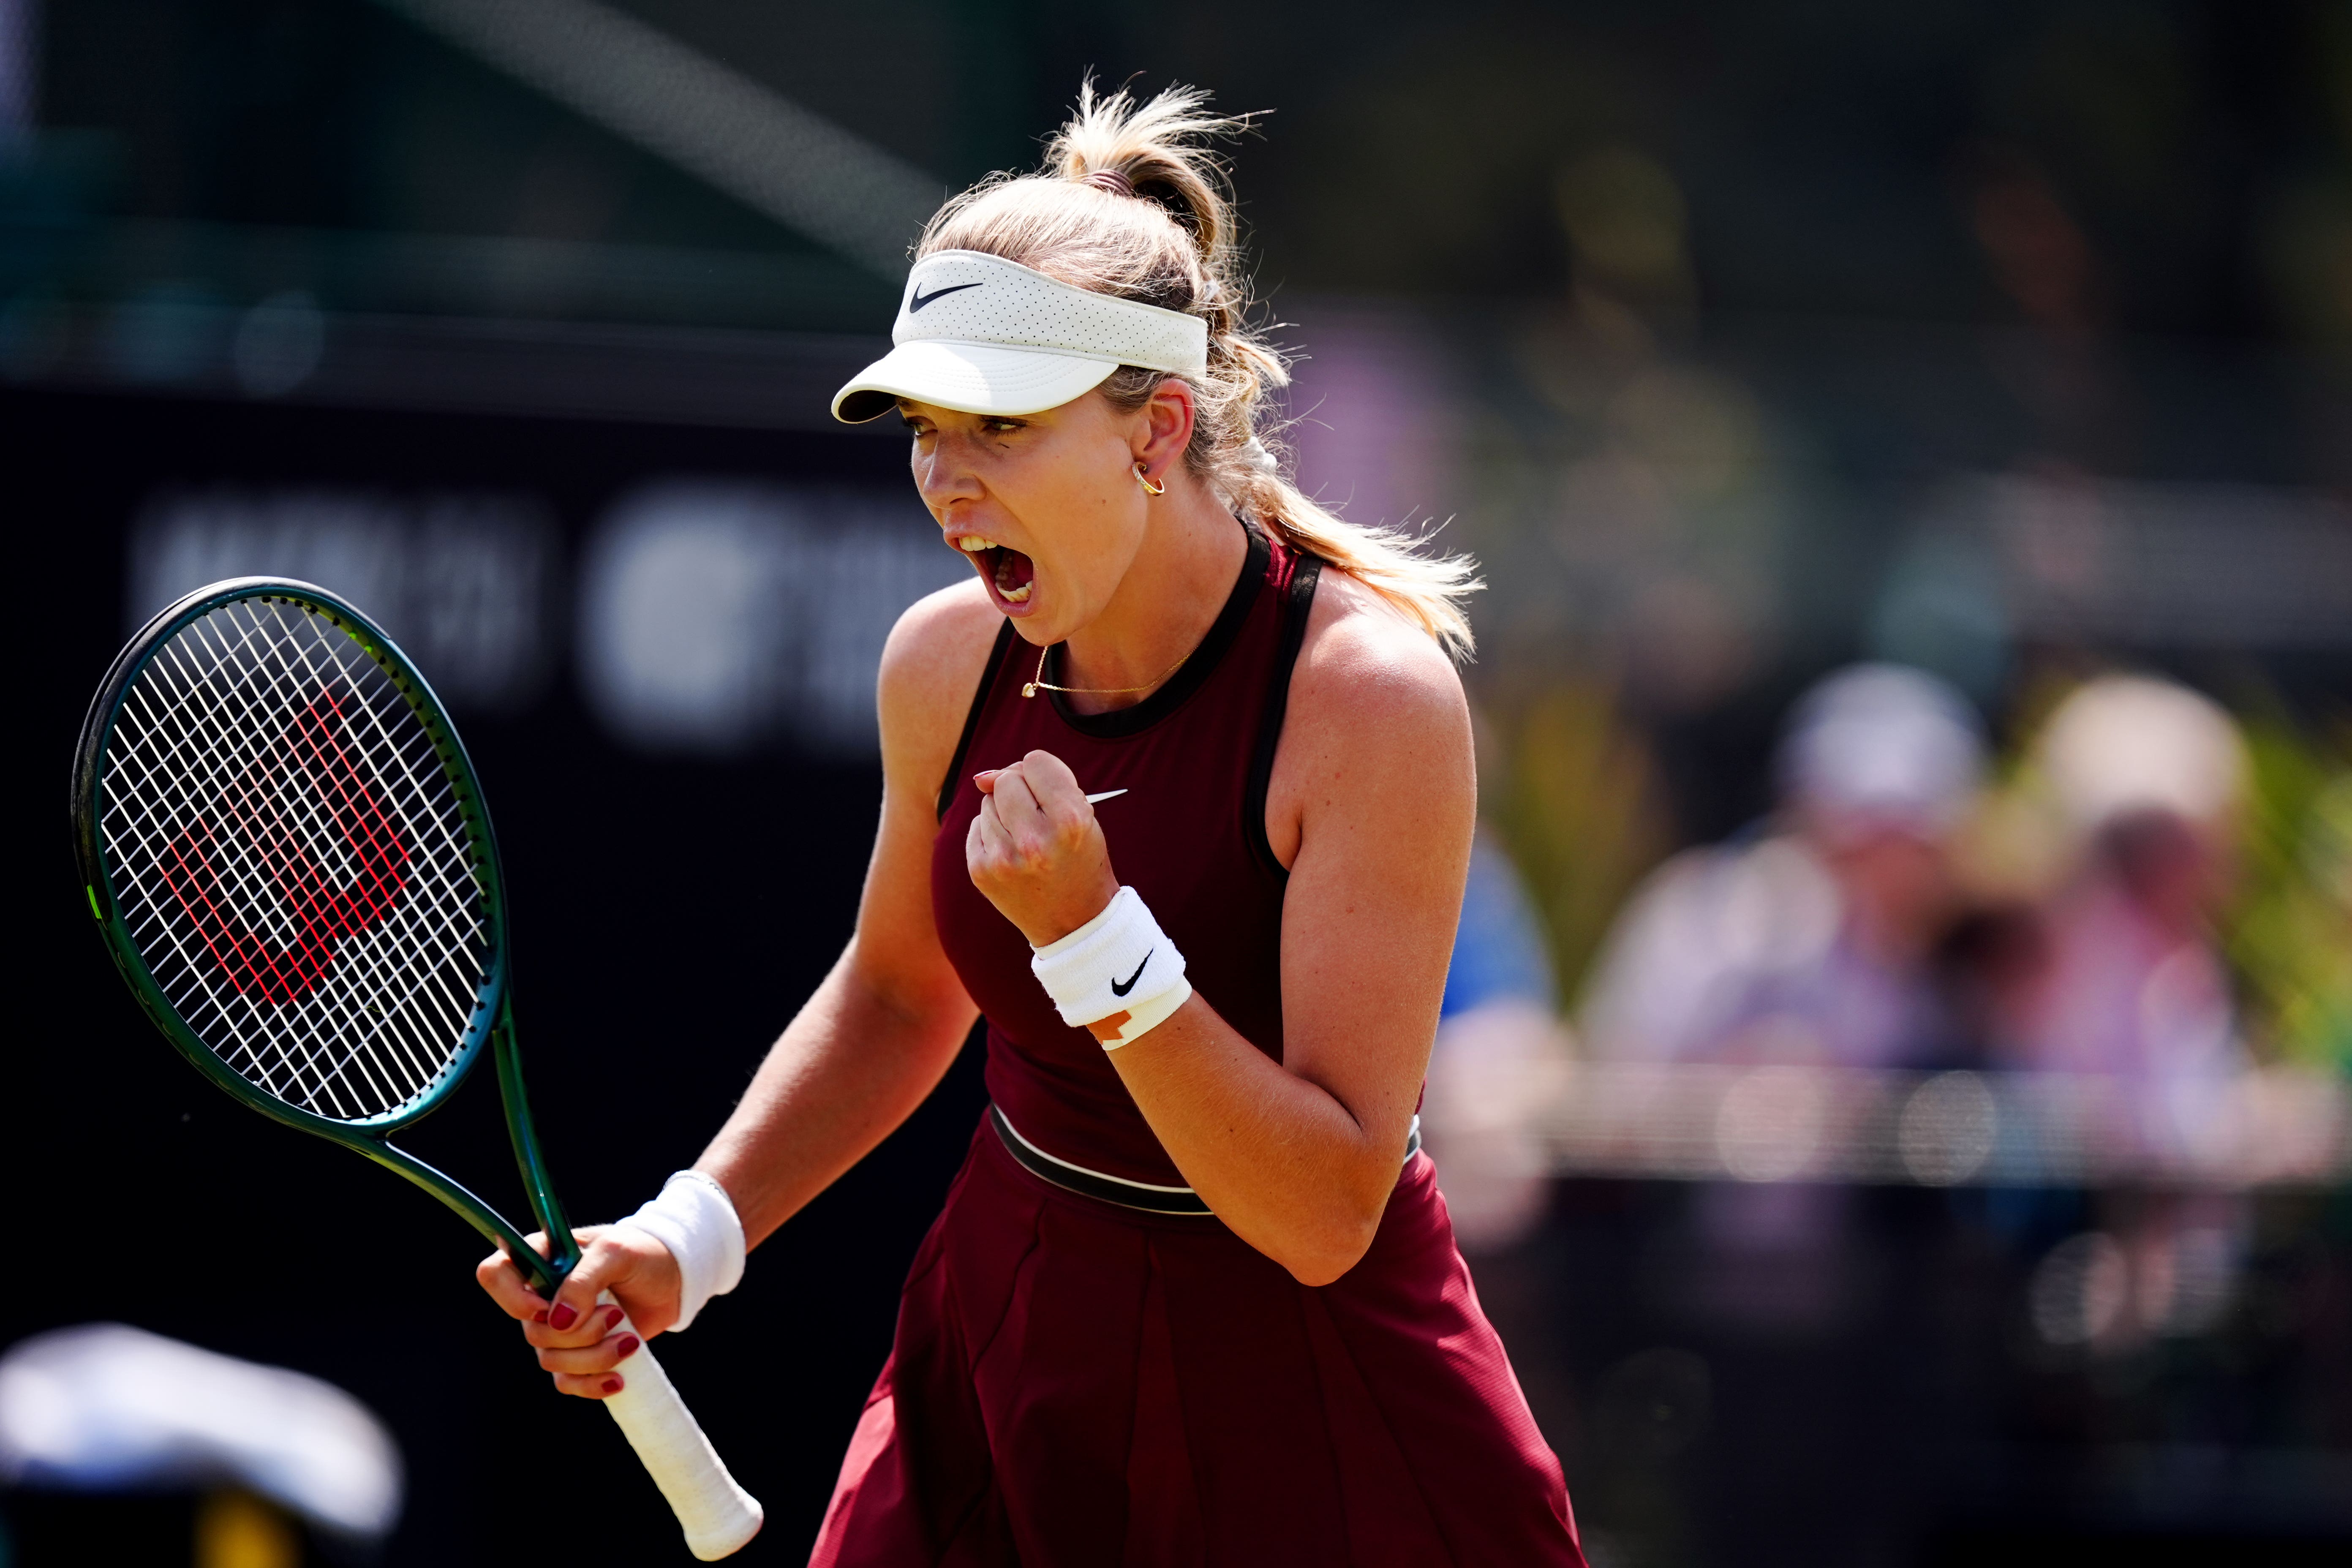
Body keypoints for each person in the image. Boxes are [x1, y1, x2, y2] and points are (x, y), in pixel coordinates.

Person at [473, 84, 1584, 1566]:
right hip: (1011, 1334)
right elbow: (895, 991)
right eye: (928, 427)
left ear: (1157, 430)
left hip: (1309, 1398)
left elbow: (1326, 1210)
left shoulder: (1369, 702)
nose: (947, 478)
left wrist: (1098, 945)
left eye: (1000, 423)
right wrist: (688, 1238)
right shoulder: (943, 664)